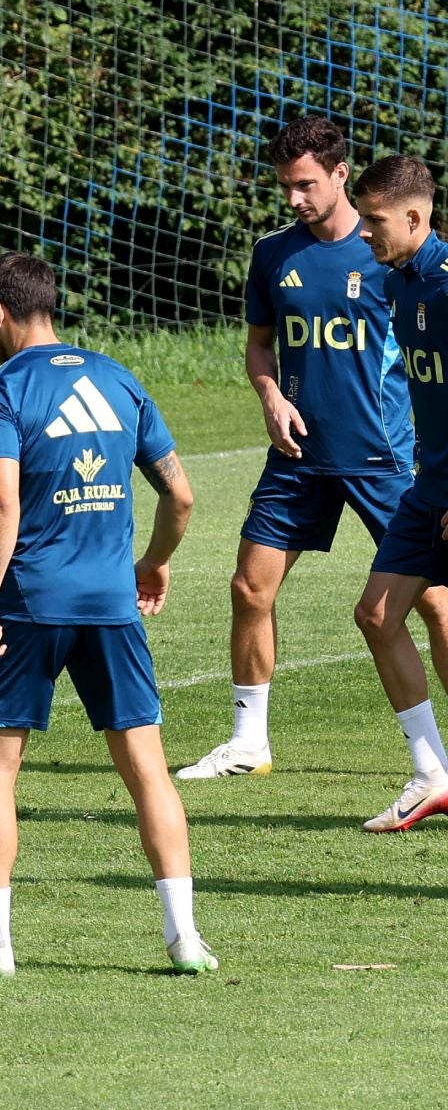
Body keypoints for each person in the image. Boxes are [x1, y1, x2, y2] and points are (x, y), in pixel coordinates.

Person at [0, 253, 213, 977]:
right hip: (110, 605)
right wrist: (154, 562)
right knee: (147, 770)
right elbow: (180, 495)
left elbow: (3, 499)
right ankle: (185, 937)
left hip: (30, 603)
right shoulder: (118, 378)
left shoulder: (1, 390)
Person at [178, 117, 448, 781]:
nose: (294, 199)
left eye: (304, 185)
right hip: (299, 454)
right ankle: (248, 741)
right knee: (249, 586)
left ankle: (437, 762)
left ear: (340, 174)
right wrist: (269, 394)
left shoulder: (391, 252)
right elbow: (259, 344)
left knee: (436, 603)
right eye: (285, 187)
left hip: (383, 454)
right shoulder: (275, 253)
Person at [348, 155, 448, 831]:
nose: (363, 231)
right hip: (427, 483)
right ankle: (432, 771)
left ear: (416, 217)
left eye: (374, 220)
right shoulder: (397, 285)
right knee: (378, 615)